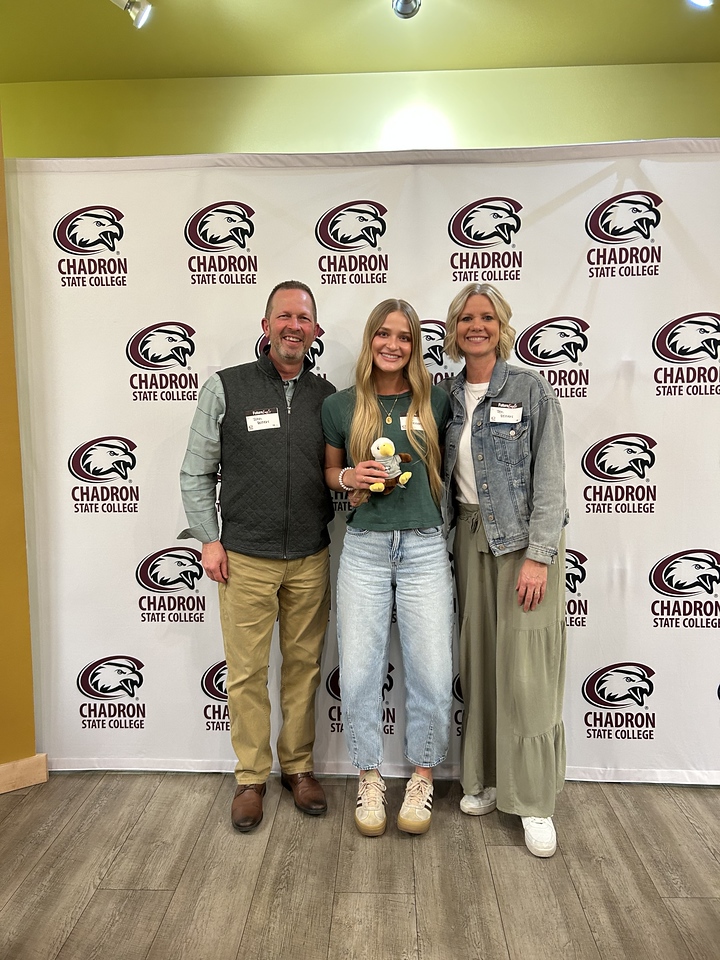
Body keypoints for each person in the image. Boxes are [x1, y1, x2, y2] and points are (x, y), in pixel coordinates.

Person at [179, 281, 335, 832]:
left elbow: (339, 472)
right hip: (243, 557)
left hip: (311, 557)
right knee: (245, 672)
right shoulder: (226, 388)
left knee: (304, 669)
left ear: (316, 331)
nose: (294, 326)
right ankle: (250, 776)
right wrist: (209, 537)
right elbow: (196, 470)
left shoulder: (329, 397)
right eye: (284, 316)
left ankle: (297, 767)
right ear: (266, 325)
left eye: (304, 318)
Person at [441, 283, 569, 858]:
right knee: (482, 662)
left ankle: (535, 800)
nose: (476, 326)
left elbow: (552, 481)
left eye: (486, 317)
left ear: (503, 326)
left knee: (527, 674)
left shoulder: (531, 389)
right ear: (453, 329)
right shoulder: (446, 396)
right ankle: (487, 781)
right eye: (466, 318)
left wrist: (539, 556)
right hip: (468, 541)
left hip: (522, 546)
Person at [323, 298, 453, 837]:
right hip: (365, 549)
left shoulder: (438, 401)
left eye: (404, 335)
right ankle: (369, 776)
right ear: (370, 339)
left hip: (424, 548)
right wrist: (349, 478)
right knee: (357, 674)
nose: (393, 344)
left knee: (432, 674)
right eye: (383, 334)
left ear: (415, 343)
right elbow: (329, 474)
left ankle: (422, 777)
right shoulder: (340, 405)